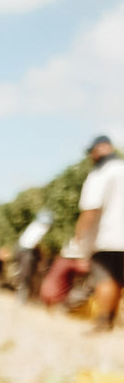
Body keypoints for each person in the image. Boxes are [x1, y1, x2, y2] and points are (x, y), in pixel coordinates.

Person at [74, 135, 124, 329]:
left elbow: (91, 209)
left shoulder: (100, 174)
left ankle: (104, 321)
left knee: (106, 279)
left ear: (97, 151)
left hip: (108, 237)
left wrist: (80, 236)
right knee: (119, 281)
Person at [16, 210, 52, 302]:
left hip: (21, 250)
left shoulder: (34, 225)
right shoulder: (42, 228)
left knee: (24, 274)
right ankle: (23, 296)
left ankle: (26, 295)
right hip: (27, 251)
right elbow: (37, 244)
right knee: (26, 274)